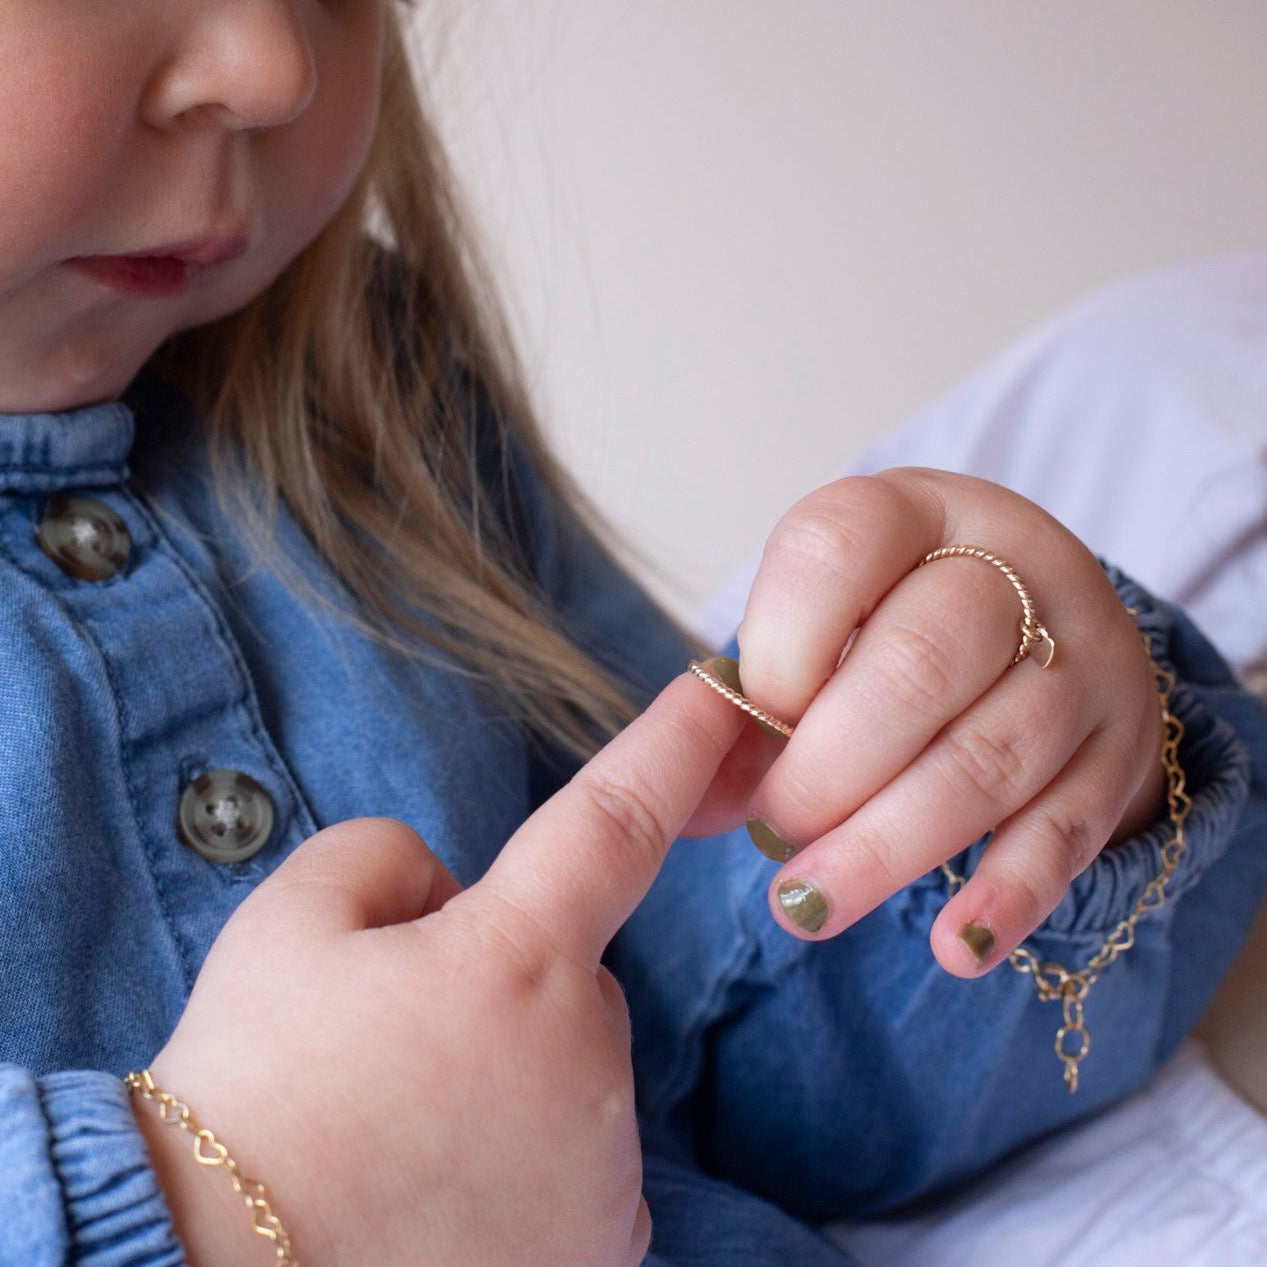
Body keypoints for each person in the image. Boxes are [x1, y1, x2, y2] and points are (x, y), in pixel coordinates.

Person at [1, 6, 1264, 1266]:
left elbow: (736, 1074)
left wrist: (982, 774)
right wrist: (217, 1200)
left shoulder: (367, 401)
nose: (275, 66)